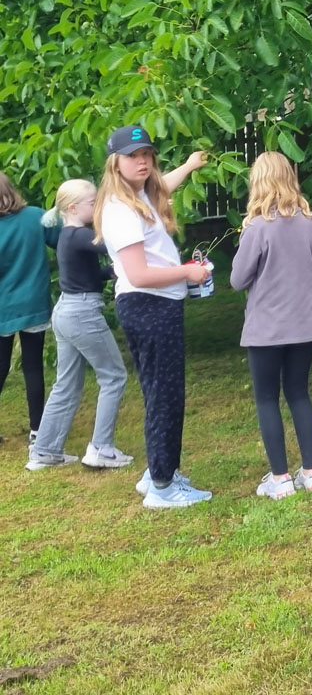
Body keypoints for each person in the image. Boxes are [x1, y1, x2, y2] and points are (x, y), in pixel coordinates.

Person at [95, 126, 212, 507]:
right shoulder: (121, 211)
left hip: (154, 305)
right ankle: (163, 486)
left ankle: (157, 472)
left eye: (146, 153)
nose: (142, 161)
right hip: (149, 305)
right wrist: (187, 272)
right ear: (116, 163)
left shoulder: (140, 195)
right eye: (132, 156)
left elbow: (165, 184)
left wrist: (190, 165)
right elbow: (139, 274)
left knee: (158, 392)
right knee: (165, 395)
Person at [230, 152, 312, 499]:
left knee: (266, 399)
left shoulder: (257, 227)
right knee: (299, 393)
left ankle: (280, 478)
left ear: (258, 182)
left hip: (267, 329)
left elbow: (238, 279)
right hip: (306, 324)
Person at [26, 180, 133, 471]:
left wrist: (111, 271)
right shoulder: (80, 235)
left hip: (67, 311)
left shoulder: (68, 236)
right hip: (82, 314)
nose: (98, 206)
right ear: (73, 208)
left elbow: (88, 276)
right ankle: (101, 448)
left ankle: (45, 451)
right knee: (114, 376)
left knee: (66, 384)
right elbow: (118, 244)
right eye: (93, 202)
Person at [0, 173, 59, 447]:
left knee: (1, 367)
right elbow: (66, 239)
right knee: (33, 367)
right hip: (34, 304)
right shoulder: (36, 216)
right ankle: (37, 431)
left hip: (3, 307)